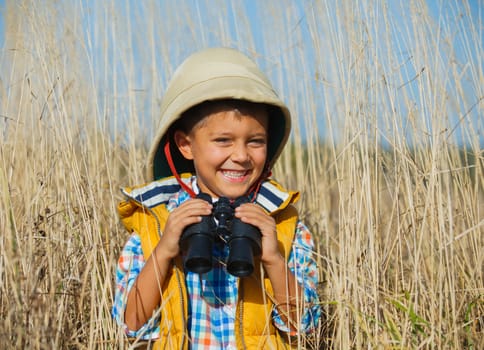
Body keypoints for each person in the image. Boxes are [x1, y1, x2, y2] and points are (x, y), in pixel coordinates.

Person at [112, 47, 321, 349]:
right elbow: (129, 326)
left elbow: (304, 328)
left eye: (256, 142)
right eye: (223, 140)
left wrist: (273, 258)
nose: (240, 156)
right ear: (185, 145)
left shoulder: (284, 224)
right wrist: (165, 249)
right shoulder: (154, 223)